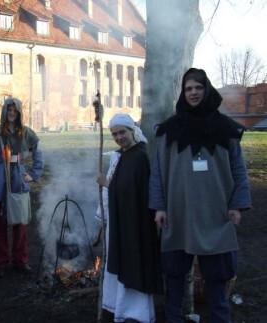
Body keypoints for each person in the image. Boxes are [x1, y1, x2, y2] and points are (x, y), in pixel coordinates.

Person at [149, 68, 252, 322]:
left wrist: (237, 205)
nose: (193, 93)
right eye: (188, 89)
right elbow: (158, 172)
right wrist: (159, 207)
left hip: (216, 215)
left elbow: (238, 169)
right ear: (183, 94)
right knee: (174, 278)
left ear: (207, 90)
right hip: (178, 213)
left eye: (198, 88)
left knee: (217, 282)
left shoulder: (226, 129)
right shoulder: (168, 131)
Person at [96, 113, 163, 322]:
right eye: (114, 134)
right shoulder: (123, 155)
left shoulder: (139, 156)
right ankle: (121, 308)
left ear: (132, 131)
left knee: (134, 264)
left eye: (122, 132)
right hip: (123, 223)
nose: (118, 137)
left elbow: (132, 192)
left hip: (136, 225)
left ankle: (137, 313)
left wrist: (107, 184)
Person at [0, 97, 44, 278]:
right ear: (5, 111)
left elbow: (39, 153)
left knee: (20, 223)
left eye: (15, 111)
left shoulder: (27, 133)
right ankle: (1, 262)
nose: (12, 113)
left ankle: (20, 260)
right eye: (9, 110)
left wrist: (33, 174)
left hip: (18, 179)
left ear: (19, 113)